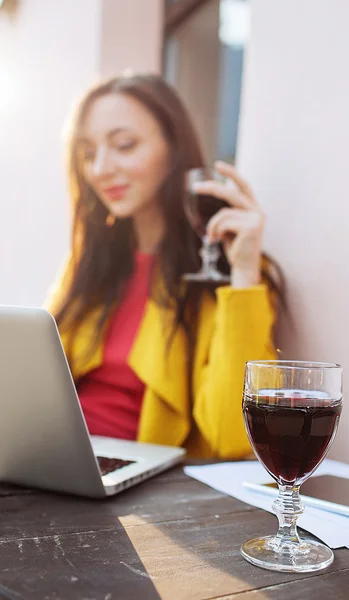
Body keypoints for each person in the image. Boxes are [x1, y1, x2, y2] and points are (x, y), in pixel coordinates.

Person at [45, 73, 285, 459]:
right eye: (89, 153)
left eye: (124, 145)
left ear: (173, 148)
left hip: (139, 485)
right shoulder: (89, 265)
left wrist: (243, 274)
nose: (100, 169)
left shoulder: (222, 278)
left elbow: (233, 437)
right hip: (52, 458)